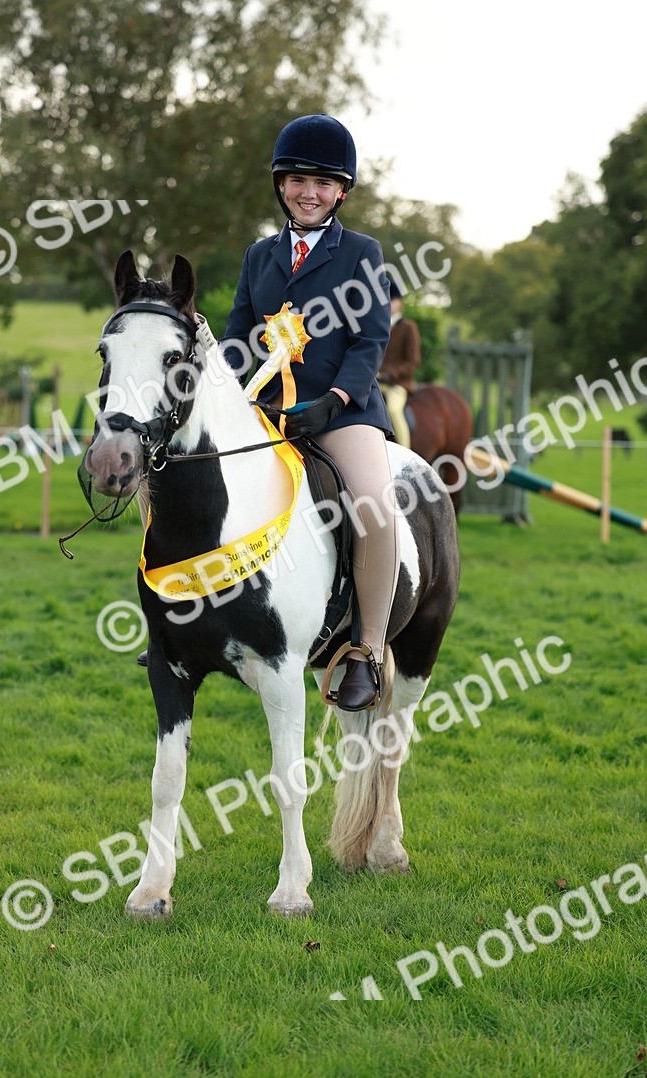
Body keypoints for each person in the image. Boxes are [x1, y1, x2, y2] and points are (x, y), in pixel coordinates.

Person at [222, 114, 401, 711]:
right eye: (298, 179)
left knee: (374, 504)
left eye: (323, 183)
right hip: (267, 411)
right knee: (185, 475)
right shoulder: (258, 256)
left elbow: (371, 341)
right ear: (281, 185)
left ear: (341, 191)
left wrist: (337, 400)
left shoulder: (361, 253)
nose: (309, 192)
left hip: (342, 410)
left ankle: (367, 652)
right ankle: (185, 620)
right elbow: (237, 338)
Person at [378, 281, 422, 449]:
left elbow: (413, 361)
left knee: (394, 410)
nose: (388, 303)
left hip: (397, 384)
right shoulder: (379, 325)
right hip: (377, 381)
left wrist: (391, 374)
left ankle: (406, 453)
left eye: (392, 300)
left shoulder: (408, 327)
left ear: (400, 302)